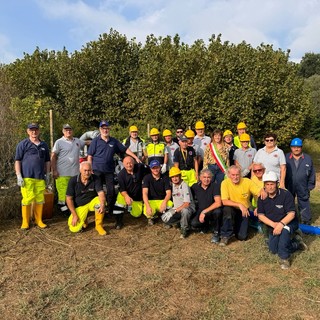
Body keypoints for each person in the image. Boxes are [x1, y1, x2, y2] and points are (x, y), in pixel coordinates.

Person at [87, 120, 140, 216]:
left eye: (107, 128)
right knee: (99, 191)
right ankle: (98, 210)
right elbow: (90, 156)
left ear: (109, 129)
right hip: (96, 170)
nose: (105, 130)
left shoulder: (114, 141)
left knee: (111, 191)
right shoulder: (95, 141)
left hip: (109, 170)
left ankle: (109, 211)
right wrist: (90, 167)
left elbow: (125, 149)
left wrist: (135, 157)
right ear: (100, 129)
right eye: (103, 128)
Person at [257, 171, 307, 270]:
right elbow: (260, 215)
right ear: (264, 185)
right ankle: (297, 244)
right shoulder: (262, 197)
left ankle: (285, 258)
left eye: (272, 184)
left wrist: (281, 224)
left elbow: (291, 214)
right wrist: (273, 224)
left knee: (284, 231)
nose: (270, 187)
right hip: (274, 225)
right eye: (267, 184)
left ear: (277, 184)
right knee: (273, 250)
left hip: (288, 222)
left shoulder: (286, 194)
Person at [15, 122, 50, 229]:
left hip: (40, 177)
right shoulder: (23, 144)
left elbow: (47, 161)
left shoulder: (44, 145)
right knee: (27, 199)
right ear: (28, 131)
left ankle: (38, 220)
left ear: (39, 131)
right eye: (31, 130)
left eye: (35, 130)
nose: (34, 132)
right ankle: (25, 222)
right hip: (27, 177)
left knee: (40, 199)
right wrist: (18, 175)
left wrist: (48, 174)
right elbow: (17, 160)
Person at [220, 165, 264, 246]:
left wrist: (259, 206)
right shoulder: (225, 183)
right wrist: (239, 204)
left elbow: (261, 192)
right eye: (233, 175)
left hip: (244, 211)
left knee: (242, 237)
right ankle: (225, 235)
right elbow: (224, 201)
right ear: (229, 175)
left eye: (237, 175)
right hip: (232, 208)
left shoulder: (247, 181)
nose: (235, 177)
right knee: (227, 210)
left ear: (240, 174)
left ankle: (238, 227)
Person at [51, 124, 86, 216]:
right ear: (63, 131)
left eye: (70, 129)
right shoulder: (59, 142)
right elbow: (53, 156)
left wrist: (97, 139)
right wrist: (54, 170)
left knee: (73, 193)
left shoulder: (77, 141)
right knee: (63, 194)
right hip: (62, 173)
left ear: (72, 131)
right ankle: (63, 211)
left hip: (75, 173)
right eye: (66, 130)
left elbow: (87, 143)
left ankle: (71, 210)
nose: (68, 131)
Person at [66, 161, 107, 235]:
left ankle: (98, 225)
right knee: (74, 228)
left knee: (99, 201)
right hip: (80, 206)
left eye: (89, 170)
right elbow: (69, 199)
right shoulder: (73, 180)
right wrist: (75, 215)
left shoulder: (96, 178)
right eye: (85, 170)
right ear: (80, 170)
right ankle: (84, 220)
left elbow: (101, 193)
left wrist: (103, 204)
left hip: (91, 203)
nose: (87, 173)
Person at [285, 138, 316, 225]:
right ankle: (289, 220)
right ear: (291, 147)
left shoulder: (307, 158)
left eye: (298, 147)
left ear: (301, 147)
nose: (296, 149)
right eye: (294, 147)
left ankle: (305, 222)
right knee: (288, 203)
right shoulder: (286, 157)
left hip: (303, 186)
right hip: (289, 185)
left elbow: (312, 173)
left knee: (304, 202)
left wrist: (310, 186)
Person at [113, 156, 148, 229]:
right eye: (127, 163)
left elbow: (151, 170)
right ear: (123, 164)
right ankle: (119, 222)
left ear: (134, 162)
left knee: (136, 214)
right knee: (118, 204)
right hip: (126, 194)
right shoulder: (121, 175)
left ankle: (130, 207)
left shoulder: (140, 167)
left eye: (131, 163)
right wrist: (126, 197)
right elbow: (122, 189)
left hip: (137, 197)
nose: (129, 165)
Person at [162, 167, 196, 238]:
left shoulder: (184, 185)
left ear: (180, 176)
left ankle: (184, 229)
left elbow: (187, 204)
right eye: (173, 177)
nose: (175, 178)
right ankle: (180, 221)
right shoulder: (172, 185)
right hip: (177, 208)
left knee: (185, 211)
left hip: (188, 208)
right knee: (165, 219)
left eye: (176, 176)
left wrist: (174, 211)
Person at [191, 169, 222, 243]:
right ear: (200, 178)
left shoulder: (215, 186)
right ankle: (206, 226)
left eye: (208, 177)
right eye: (204, 177)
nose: (206, 179)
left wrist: (204, 212)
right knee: (194, 224)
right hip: (200, 210)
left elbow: (218, 203)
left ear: (211, 178)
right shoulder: (195, 186)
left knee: (218, 212)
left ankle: (216, 233)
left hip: (212, 210)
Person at [142, 159, 173, 225]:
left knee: (170, 204)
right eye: (153, 168)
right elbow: (144, 193)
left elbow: (168, 193)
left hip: (162, 200)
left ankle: (165, 218)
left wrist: (164, 202)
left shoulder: (165, 178)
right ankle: (151, 218)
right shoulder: (146, 178)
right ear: (150, 169)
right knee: (147, 211)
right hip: (151, 201)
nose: (155, 170)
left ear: (160, 167)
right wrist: (147, 206)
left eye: (157, 167)